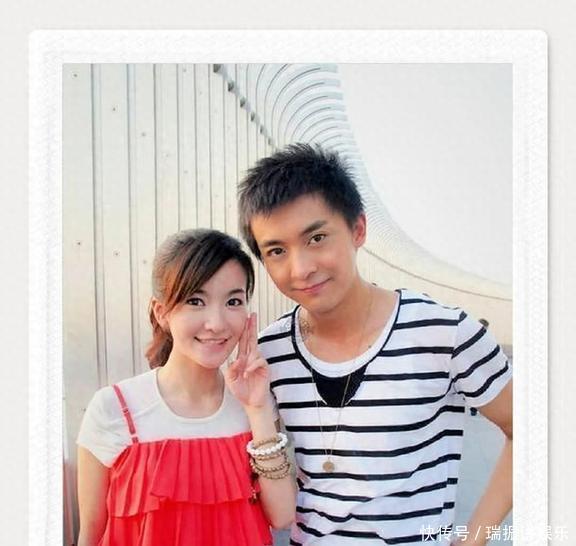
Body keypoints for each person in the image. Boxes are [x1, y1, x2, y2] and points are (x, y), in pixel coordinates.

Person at [238, 144, 513, 546]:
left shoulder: (443, 332)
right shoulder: (270, 352)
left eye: (317, 238)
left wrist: (474, 539)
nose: (301, 269)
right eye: (276, 251)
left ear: (358, 229)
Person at [76, 229, 296, 546]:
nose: (216, 323)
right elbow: (90, 532)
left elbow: (283, 516)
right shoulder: (114, 409)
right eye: (195, 301)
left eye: (233, 301)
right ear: (161, 312)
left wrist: (258, 408)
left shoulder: (253, 404)